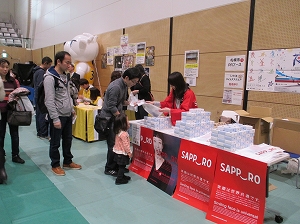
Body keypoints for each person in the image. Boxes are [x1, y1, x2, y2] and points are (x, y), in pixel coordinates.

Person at [44, 51, 81, 176]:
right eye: (67, 62)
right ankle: (55, 164)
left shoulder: (65, 76)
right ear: (58, 62)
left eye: (70, 62)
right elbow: (49, 100)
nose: (69, 65)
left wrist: (71, 109)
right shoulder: (50, 78)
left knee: (68, 140)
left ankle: (67, 161)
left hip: (67, 114)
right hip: (57, 115)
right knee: (55, 141)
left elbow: (67, 94)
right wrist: (55, 118)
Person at [100, 67, 141, 177]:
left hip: (115, 119)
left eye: (136, 82)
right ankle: (109, 168)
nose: (133, 84)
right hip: (109, 119)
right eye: (133, 82)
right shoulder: (116, 86)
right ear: (127, 78)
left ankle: (118, 166)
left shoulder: (124, 86)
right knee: (113, 144)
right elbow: (111, 105)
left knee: (118, 144)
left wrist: (130, 103)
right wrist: (121, 118)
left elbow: (120, 101)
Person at [0, 58, 25, 170]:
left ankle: (15, 155)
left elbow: (17, 92)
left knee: (14, 134)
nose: (5, 69)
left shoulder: (13, 81)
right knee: (1, 135)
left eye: (7, 67)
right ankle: (1, 155)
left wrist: (17, 96)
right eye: (2, 66)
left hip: (12, 111)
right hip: (0, 113)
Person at [33, 56, 53, 139]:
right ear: (45, 63)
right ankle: (43, 133)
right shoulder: (41, 72)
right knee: (42, 116)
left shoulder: (36, 71)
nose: (49, 67)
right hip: (41, 97)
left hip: (37, 97)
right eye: (49, 65)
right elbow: (41, 86)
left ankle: (39, 132)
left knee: (38, 115)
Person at [113, 113, 133, 185]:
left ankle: (122, 176)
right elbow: (126, 144)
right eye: (127, 121)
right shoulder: (124, 134)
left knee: (121, 166)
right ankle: (119, 179)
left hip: (117, 152)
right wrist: (129, 152)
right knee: (122, 166)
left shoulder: (118, 131)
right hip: (122, 153)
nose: (128, 122)